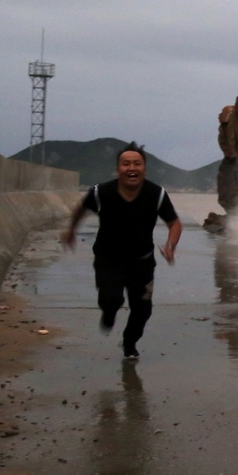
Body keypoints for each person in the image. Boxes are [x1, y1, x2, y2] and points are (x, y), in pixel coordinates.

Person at [61, 142, 182, 360]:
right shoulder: (101, 193)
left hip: (142, 263)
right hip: (109, 260)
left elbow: (174, 223)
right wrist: (71, 230)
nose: (131, 168)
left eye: (137, 163)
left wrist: (170, 246)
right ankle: (108, 312)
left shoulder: (157, 194)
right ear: (118, 169)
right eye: (126, 164)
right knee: (111, 299)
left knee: (142, 310)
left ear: (144, 169)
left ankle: (129, 343)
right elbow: (81, 208)